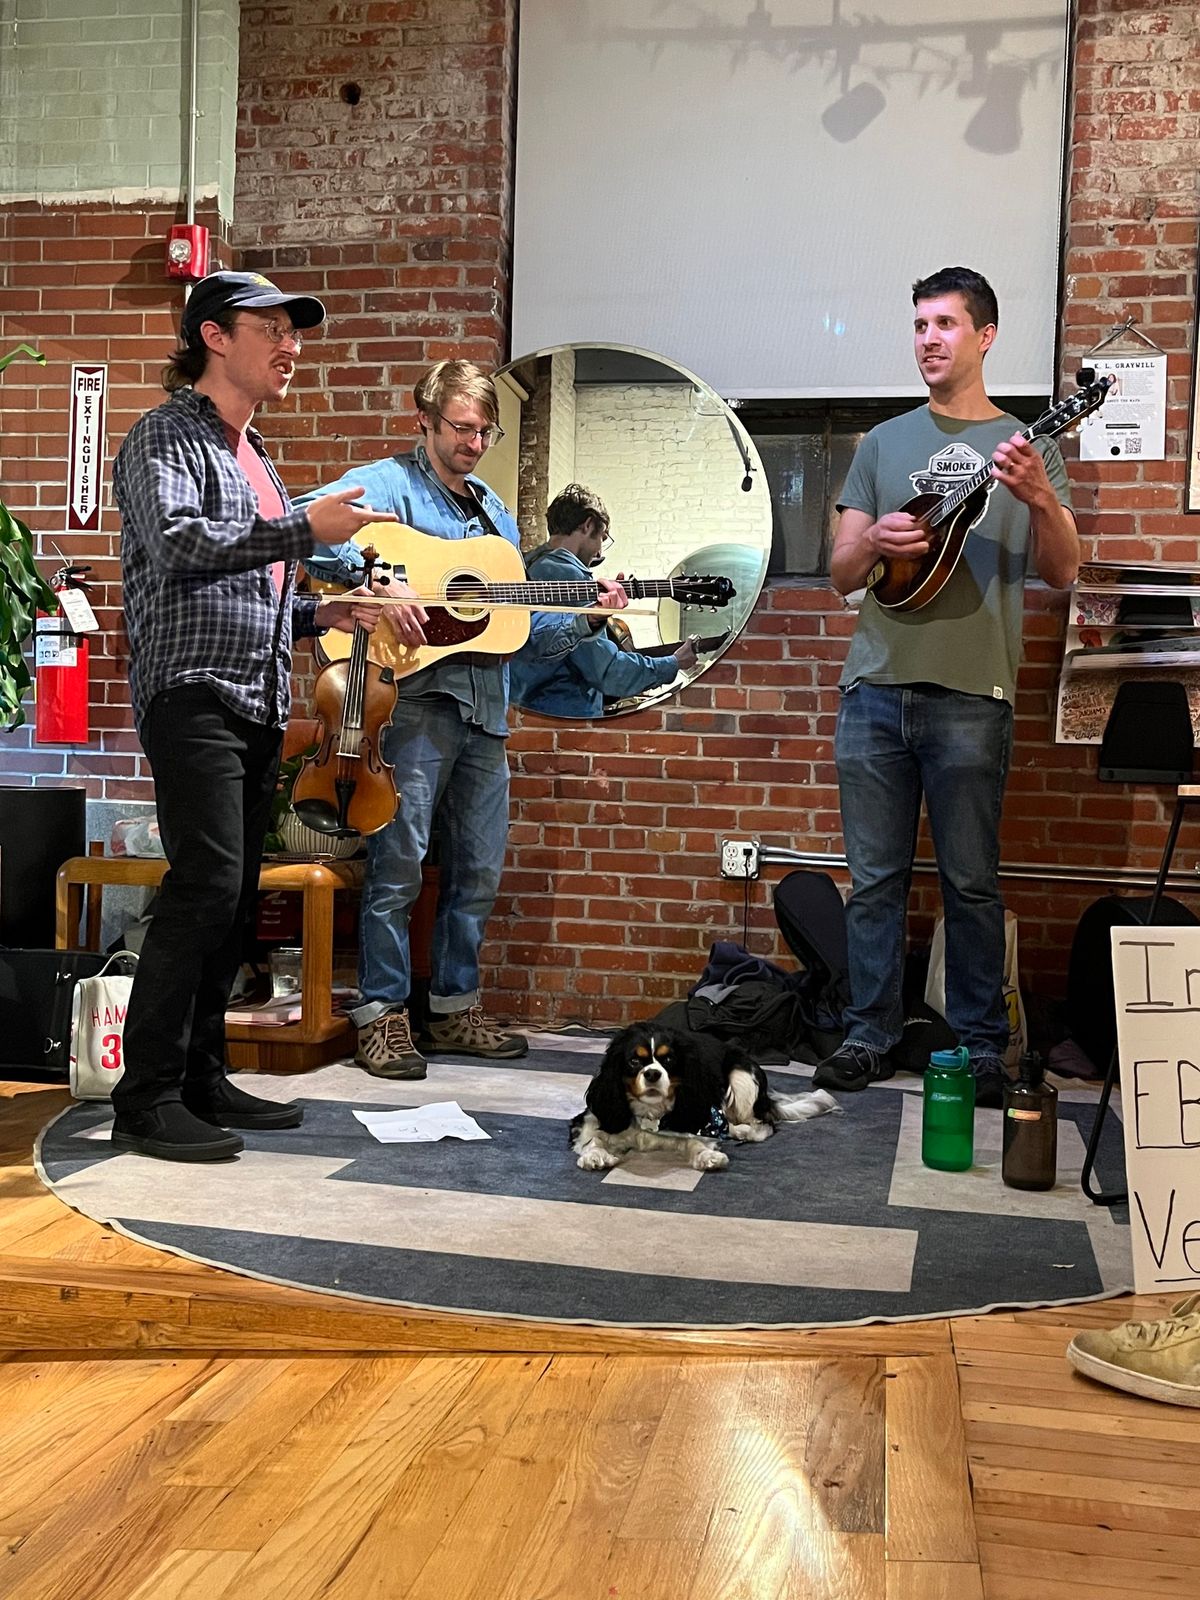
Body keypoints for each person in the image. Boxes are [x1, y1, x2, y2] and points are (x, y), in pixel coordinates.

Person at [111, 270, 396, 1162]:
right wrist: (307, 531)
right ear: (213, 337)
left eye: (294, 331)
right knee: (203, 888)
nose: (291, 346)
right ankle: (145, 1096)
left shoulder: (257, 456)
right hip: (190, 690)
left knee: (231, 901)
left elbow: (251, 586)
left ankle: (200, 1075)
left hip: (255, 701)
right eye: (270, 328)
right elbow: (181, 545)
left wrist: (324, 613)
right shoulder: (166, 434)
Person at [299, 362, 630, 1079]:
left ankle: (452, 1010)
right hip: (412, 704)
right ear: (425, 418)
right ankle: (381, 1017)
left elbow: (521, 632)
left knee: (478, 870)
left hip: (486, 713)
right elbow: (303, 523)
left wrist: (588, 613)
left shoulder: (495, 515)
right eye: (461, 428)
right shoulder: (387, 485)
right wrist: (379, 577)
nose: (474, 443)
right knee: (399, 866)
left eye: (485, 430)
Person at [813, 266, 1078, 1108]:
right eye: (920, 324)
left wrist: (1040, 499)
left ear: (985, 336)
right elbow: (840, 574)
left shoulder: (1027, 446)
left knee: (971, 881)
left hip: (974, 694)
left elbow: (1064, 572)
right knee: (876, 879)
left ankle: (980, 1047)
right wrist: (877, 540)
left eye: (946, 325)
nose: (928, 338)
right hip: (876, 689)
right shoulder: (884, 444)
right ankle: (868, 1033)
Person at [510, 483, 697, 717]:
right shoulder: (567, 576)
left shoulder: (528, 565)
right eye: (602, 538)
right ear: (588, 525)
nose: (599, 552)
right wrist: (673, 663)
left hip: (529, 716)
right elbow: (608, 672)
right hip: (563, 721)